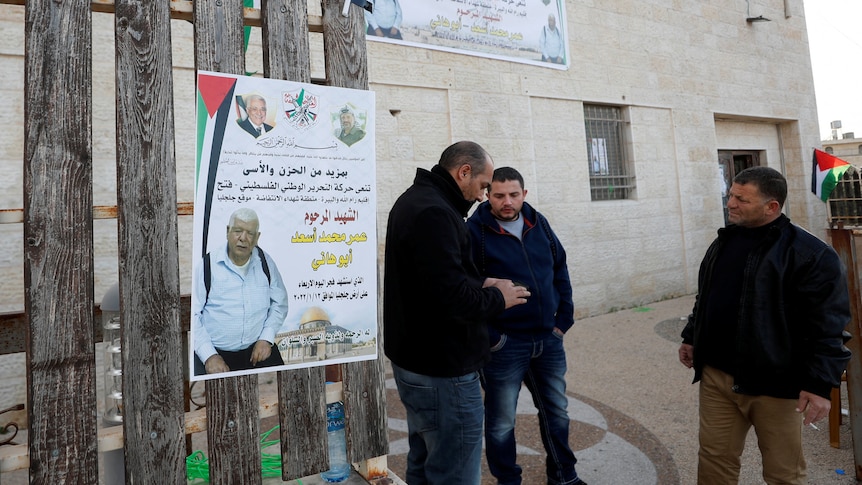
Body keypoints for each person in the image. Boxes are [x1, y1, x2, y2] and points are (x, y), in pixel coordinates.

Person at [678, 166, 851, 484]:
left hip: (777, 387)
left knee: (783, 473)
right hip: (717, 379)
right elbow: (708, 296)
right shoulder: (723, 241)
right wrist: (692, 335)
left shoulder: (811, 255)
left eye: (741, 199)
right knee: (714, 463)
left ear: (772, 206)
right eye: (730, 195)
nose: (730, 203)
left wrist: (818, 385)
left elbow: (828, 327)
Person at [384, 141, 530, 484]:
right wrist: (498, 297)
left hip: (419, 362)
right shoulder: (434, 212)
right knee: (454, 473)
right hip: (442, 369)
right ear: (463, 172)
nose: (482, 197)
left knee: (425, 462)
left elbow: (433, 279)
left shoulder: (418, 200)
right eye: (482, 186)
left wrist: (479, 281)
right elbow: (450, 301)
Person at [466, 167, 587, 485]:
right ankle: (508, 481)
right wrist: (492, 337)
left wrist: (564, 319)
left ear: (524, 194)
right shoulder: (474, 231)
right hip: (505, 344)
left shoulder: (539, 223)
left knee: (557, 412)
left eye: (514, 195)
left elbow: (560, 267)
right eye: (499, 195)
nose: (507, 202)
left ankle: (564, 476)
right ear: (488, 194)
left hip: (548, 339)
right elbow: (463, 283)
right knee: (501, 422)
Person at [193, 208, 289, 375]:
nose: (243, 238)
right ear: (227, 232)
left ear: (257, 238)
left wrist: (266, 338)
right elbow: (193, 315)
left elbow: (279, 303)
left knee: (283, 390)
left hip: (258, 351)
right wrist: (209, 355)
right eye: (238, 231)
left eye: (250, 233)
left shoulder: (265, 262)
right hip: (216, 354)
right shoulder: (207, 265)